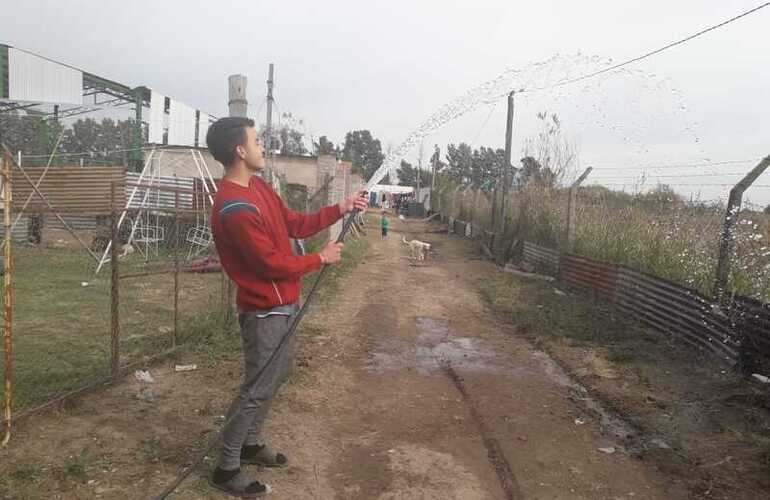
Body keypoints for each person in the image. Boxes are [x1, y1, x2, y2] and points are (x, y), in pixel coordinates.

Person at [206, 117, 367, 497]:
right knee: (256, 387)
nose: (262, 146)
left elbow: (293, 223)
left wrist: (341, 207)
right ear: (240, 151)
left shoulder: (258, 187)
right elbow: (269, 264)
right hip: (263, 310)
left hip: (283, 304)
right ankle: (227, 467)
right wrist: (320, 259)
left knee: (276, 376)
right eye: (257, 140)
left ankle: (250, 443)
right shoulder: (234, 206)